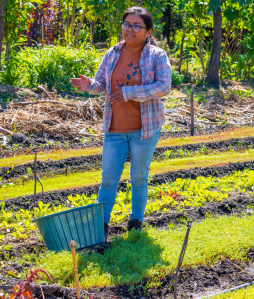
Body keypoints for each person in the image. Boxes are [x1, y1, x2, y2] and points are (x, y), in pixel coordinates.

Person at [70, 6, 171, 239]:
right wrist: (90, 85)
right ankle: (101, 228)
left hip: (144, 128)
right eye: (126, 24)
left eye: (137, 26)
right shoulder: (113, 52)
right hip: (114, 128)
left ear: (148, 32)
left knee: (138, 177)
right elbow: (101, 84)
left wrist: (130, 92)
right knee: (108, 179)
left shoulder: (156, 55)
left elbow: (164, 87)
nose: (130, 30)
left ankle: (136, 221)